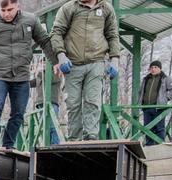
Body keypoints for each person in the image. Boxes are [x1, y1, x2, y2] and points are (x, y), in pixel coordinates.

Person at [0, 0, 56, 149]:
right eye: (3, 10)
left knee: (18, 113)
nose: (6, 14)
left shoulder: (30, 20)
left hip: (21, 75)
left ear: (18, 6)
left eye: (10, 10)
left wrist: (55, 62)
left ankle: (8, 144)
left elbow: (44, 41)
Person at [51, 0, 120, 141]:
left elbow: (112, 34)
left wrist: (115, 59)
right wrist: (61, 55)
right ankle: (74, 138)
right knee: (73, 103)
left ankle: (91, 136)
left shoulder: (106, 8)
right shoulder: (69, 8)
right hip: (72, 64)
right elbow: (56, 32)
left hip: (96, 62)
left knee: (92, 100)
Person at [139, 60, 172, 146]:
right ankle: (149, 146)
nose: (153, 69)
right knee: (148, 128)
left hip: (159, 108)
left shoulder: (165, 78)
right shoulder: (146, 79)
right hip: (146, 108)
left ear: (160, 68)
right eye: (151, 67)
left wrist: (166, 98)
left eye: (155, 67)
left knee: (160, 128)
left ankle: (160, 146)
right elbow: (141, 91)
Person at [30, 60, 63, 145]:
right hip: (41, 103)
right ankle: (46, 144)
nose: (43, 64)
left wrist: (39, 72)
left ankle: (55, 145)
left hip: (51, 102)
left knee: (53, 126)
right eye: (42, 62)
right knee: (44, 126)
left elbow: (49, 79)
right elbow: (31, 83)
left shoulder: (56, 73)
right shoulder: (41, 75)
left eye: (45, 62)